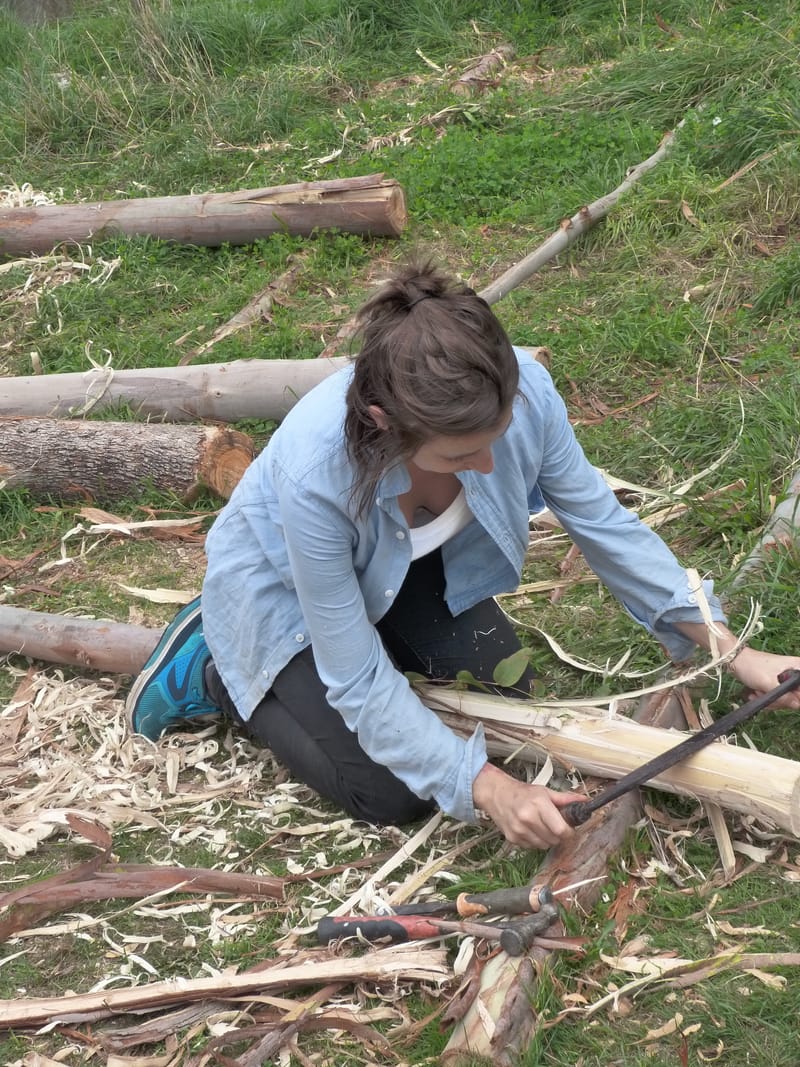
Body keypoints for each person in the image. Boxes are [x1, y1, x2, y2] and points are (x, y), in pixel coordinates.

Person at [125, 262, 800, 849]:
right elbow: (355, 677)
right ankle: (217, 670)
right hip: (282, 593)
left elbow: (603, 524)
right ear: (386, 423)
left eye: (495, 438)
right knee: (393, 791)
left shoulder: (526, 391)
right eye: (459, 455)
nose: (486, 466)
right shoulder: (316, 475)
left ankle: (376, 652)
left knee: (502, 694)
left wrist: (730, 650)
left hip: (397, 570)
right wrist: (489, 789)